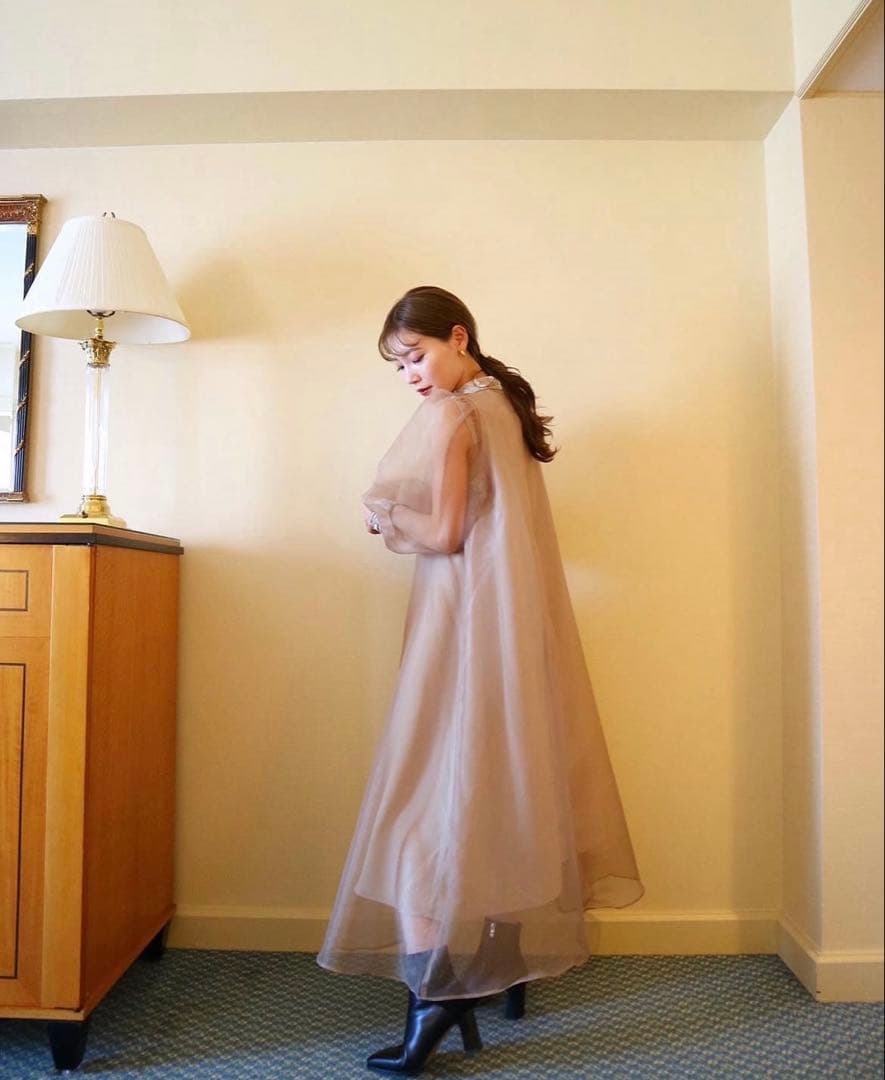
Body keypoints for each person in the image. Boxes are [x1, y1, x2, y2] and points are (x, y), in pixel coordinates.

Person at [316, 285, 644, 1075]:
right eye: (398, 366)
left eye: (416, 355)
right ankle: (503, 957)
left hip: (461, 630)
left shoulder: (452, 414)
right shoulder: (503, 406)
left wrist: (383, 517)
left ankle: (436, 997)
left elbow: (446, 532)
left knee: (415, 816)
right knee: (503, 788)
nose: (411, 376)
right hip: (512, 630)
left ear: (457, 337)